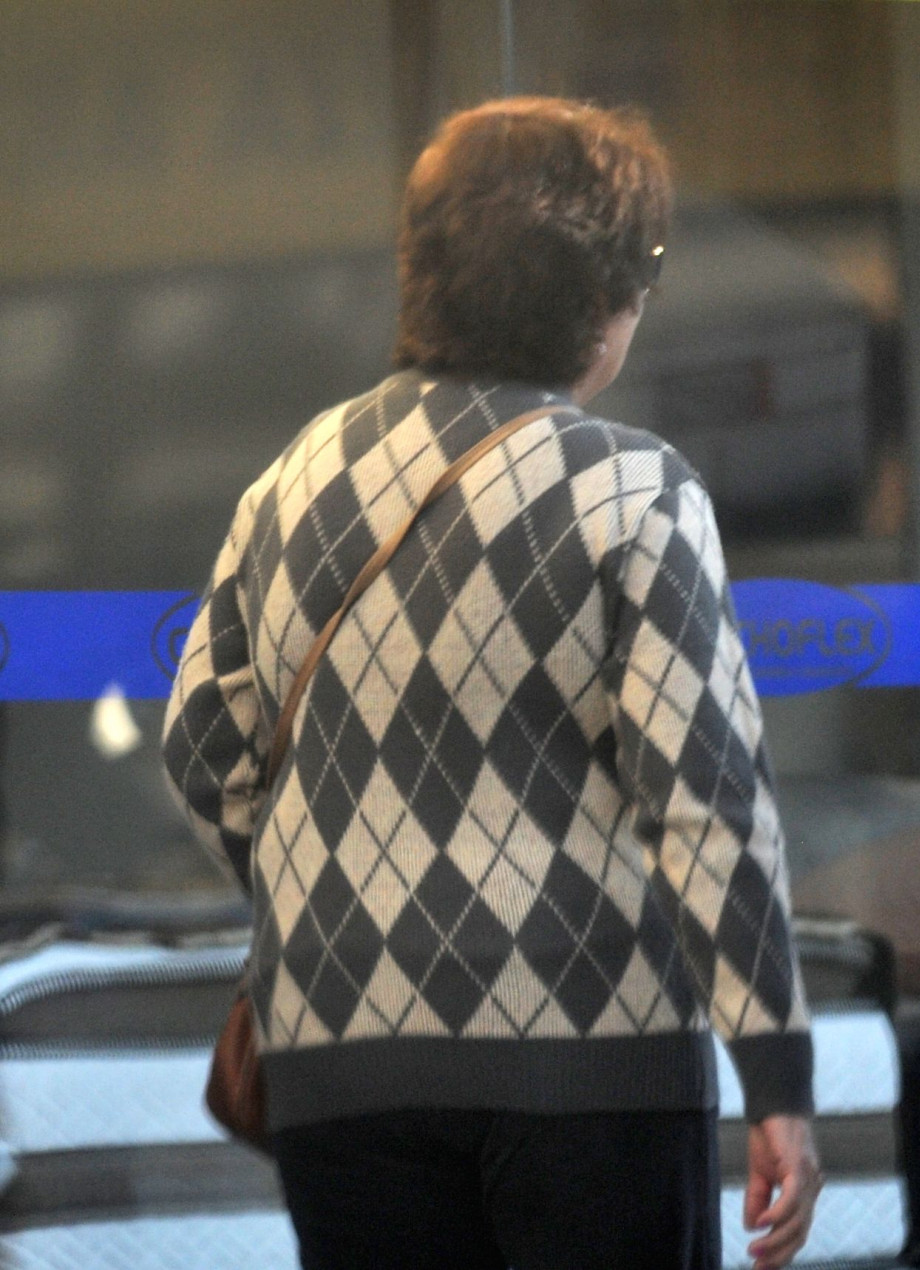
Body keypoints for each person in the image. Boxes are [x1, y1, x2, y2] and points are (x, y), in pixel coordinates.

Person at [162, 98, 820, 1270]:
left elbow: (203, 743)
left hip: (338, 1055)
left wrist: (341, 878)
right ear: (597, 297)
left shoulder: (290, 483)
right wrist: (777, 1075)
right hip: (592, 1058)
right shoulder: (631, 488)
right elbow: (705, 798)